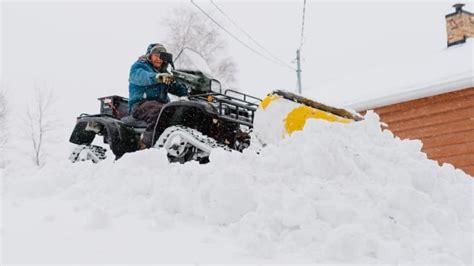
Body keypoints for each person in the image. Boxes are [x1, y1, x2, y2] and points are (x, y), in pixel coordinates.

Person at [128, 43, 188, 149]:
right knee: (159, 112)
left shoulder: (164, 72)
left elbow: (177, 88)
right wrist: (157, 77)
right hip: (140, 104)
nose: (159, 59)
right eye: (156, 55)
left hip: (161, 104)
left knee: (180, 111)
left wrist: (189, 88)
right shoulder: (139, 66)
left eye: (162, 57)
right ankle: (146, 147)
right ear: (149, 56)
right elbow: (141, 77)